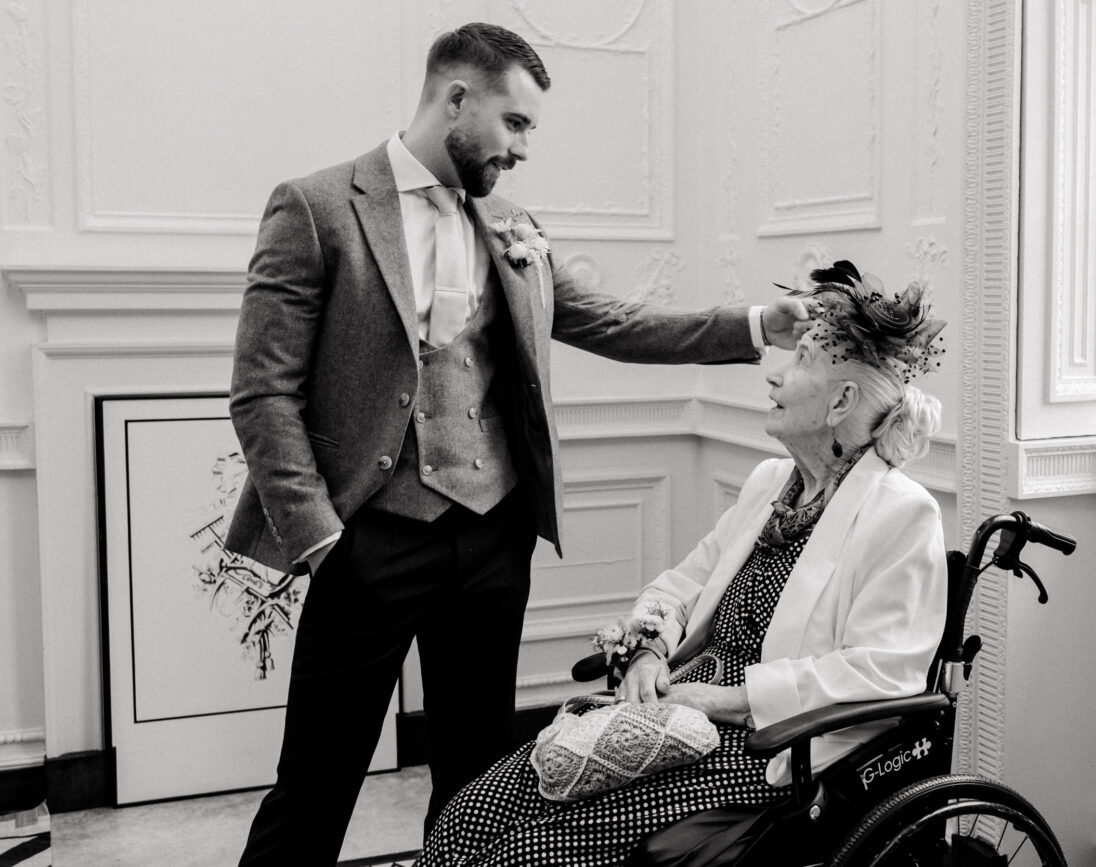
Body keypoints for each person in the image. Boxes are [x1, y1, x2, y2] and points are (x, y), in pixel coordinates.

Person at [227, 21, 811, 866]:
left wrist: (756, 323)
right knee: (316, 784)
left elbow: (611, 320)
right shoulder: (317, 209)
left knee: (476, 780)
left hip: (491, 541)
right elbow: (262, 392)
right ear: (456, 98)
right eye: (515, 122)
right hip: (369, 542)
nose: (524, 147)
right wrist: (323, 540)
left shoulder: (510, 220)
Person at [418, 261, 949, 867]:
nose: (774, 374)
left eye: (800, 361)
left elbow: (881, 672)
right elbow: (685, 583)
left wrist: (719, 701)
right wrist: (648, 649)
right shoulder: (771, 482)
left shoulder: (900, 514)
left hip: (759, 747)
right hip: (675, 709)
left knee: (528, 851)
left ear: (842, 401)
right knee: (471, 811)